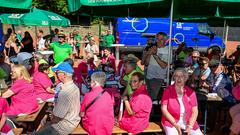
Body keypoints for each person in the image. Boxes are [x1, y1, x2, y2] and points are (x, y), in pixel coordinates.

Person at [36, 62, 80, 135]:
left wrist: (51, 112)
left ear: (64, 75)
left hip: (64, 125)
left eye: (57, 73)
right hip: (73, 120)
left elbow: (58, 115)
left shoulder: (64, 92)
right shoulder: (75, 87)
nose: (55, 75)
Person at [161, 68, 202, 135]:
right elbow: (164, 109)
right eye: (176, 76)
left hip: (188, 122)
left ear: (185, 78)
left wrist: (190, 126)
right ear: (174, 78)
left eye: (181, 76)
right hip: (171, 121)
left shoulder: (191, 92)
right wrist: (175, 125)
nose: (179, 78)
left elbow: (195, 111)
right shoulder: (168, 91)